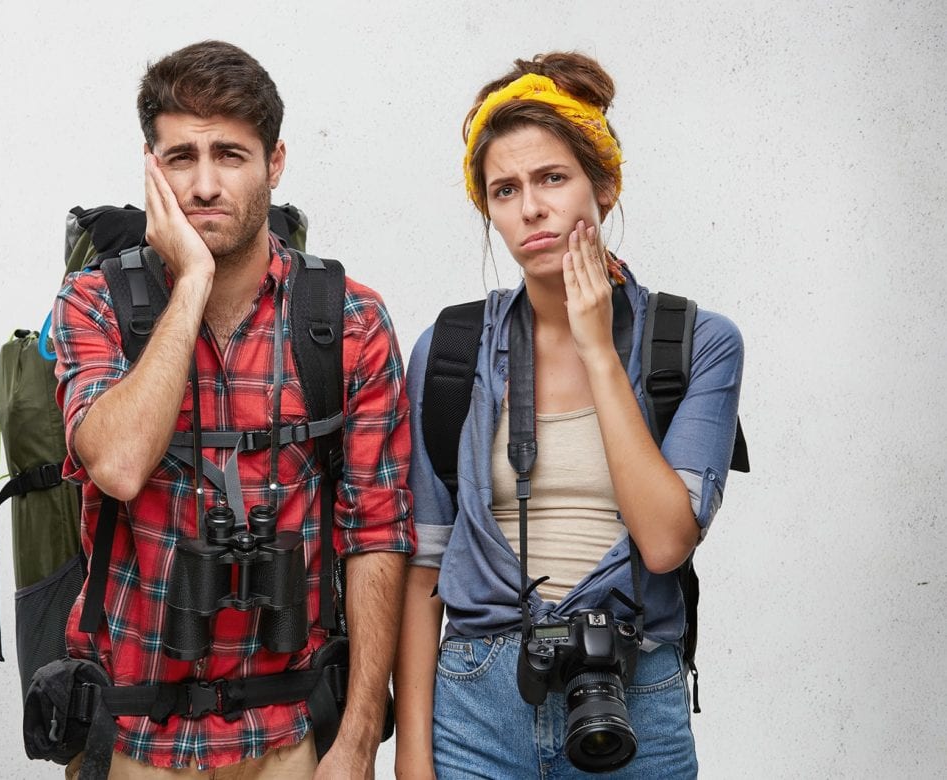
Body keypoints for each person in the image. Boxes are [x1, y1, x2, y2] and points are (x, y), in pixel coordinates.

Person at [52, 40, 414, 778]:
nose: (206, 184)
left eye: (231, 155)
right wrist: (190, 283)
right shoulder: (95, 304)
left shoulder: (348, 321)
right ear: (152, 167)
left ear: (275, 163)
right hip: (131, 737)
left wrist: (357, 739)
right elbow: (118, 465)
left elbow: (376, 532)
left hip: (291, 735)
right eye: (181, 158)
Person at [394, 51, 743, 779]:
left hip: (633, 692)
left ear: (604, 187)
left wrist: (597, 347)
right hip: (475, 704)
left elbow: (664, 544)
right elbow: (423, 561)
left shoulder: (698, 343)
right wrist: (413, 757)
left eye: (553, 178)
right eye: (504, 190)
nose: (531, 209)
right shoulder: (452, 348)